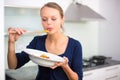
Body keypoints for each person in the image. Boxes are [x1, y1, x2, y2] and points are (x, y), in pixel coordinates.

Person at [7, 2, 83, 80]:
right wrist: (11, 42)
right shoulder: (37, 41)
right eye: (44, 19)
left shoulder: (75, 45)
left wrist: (65, 66)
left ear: (62, 20)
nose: (48, 22)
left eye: (53, 19)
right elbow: (13, 65)